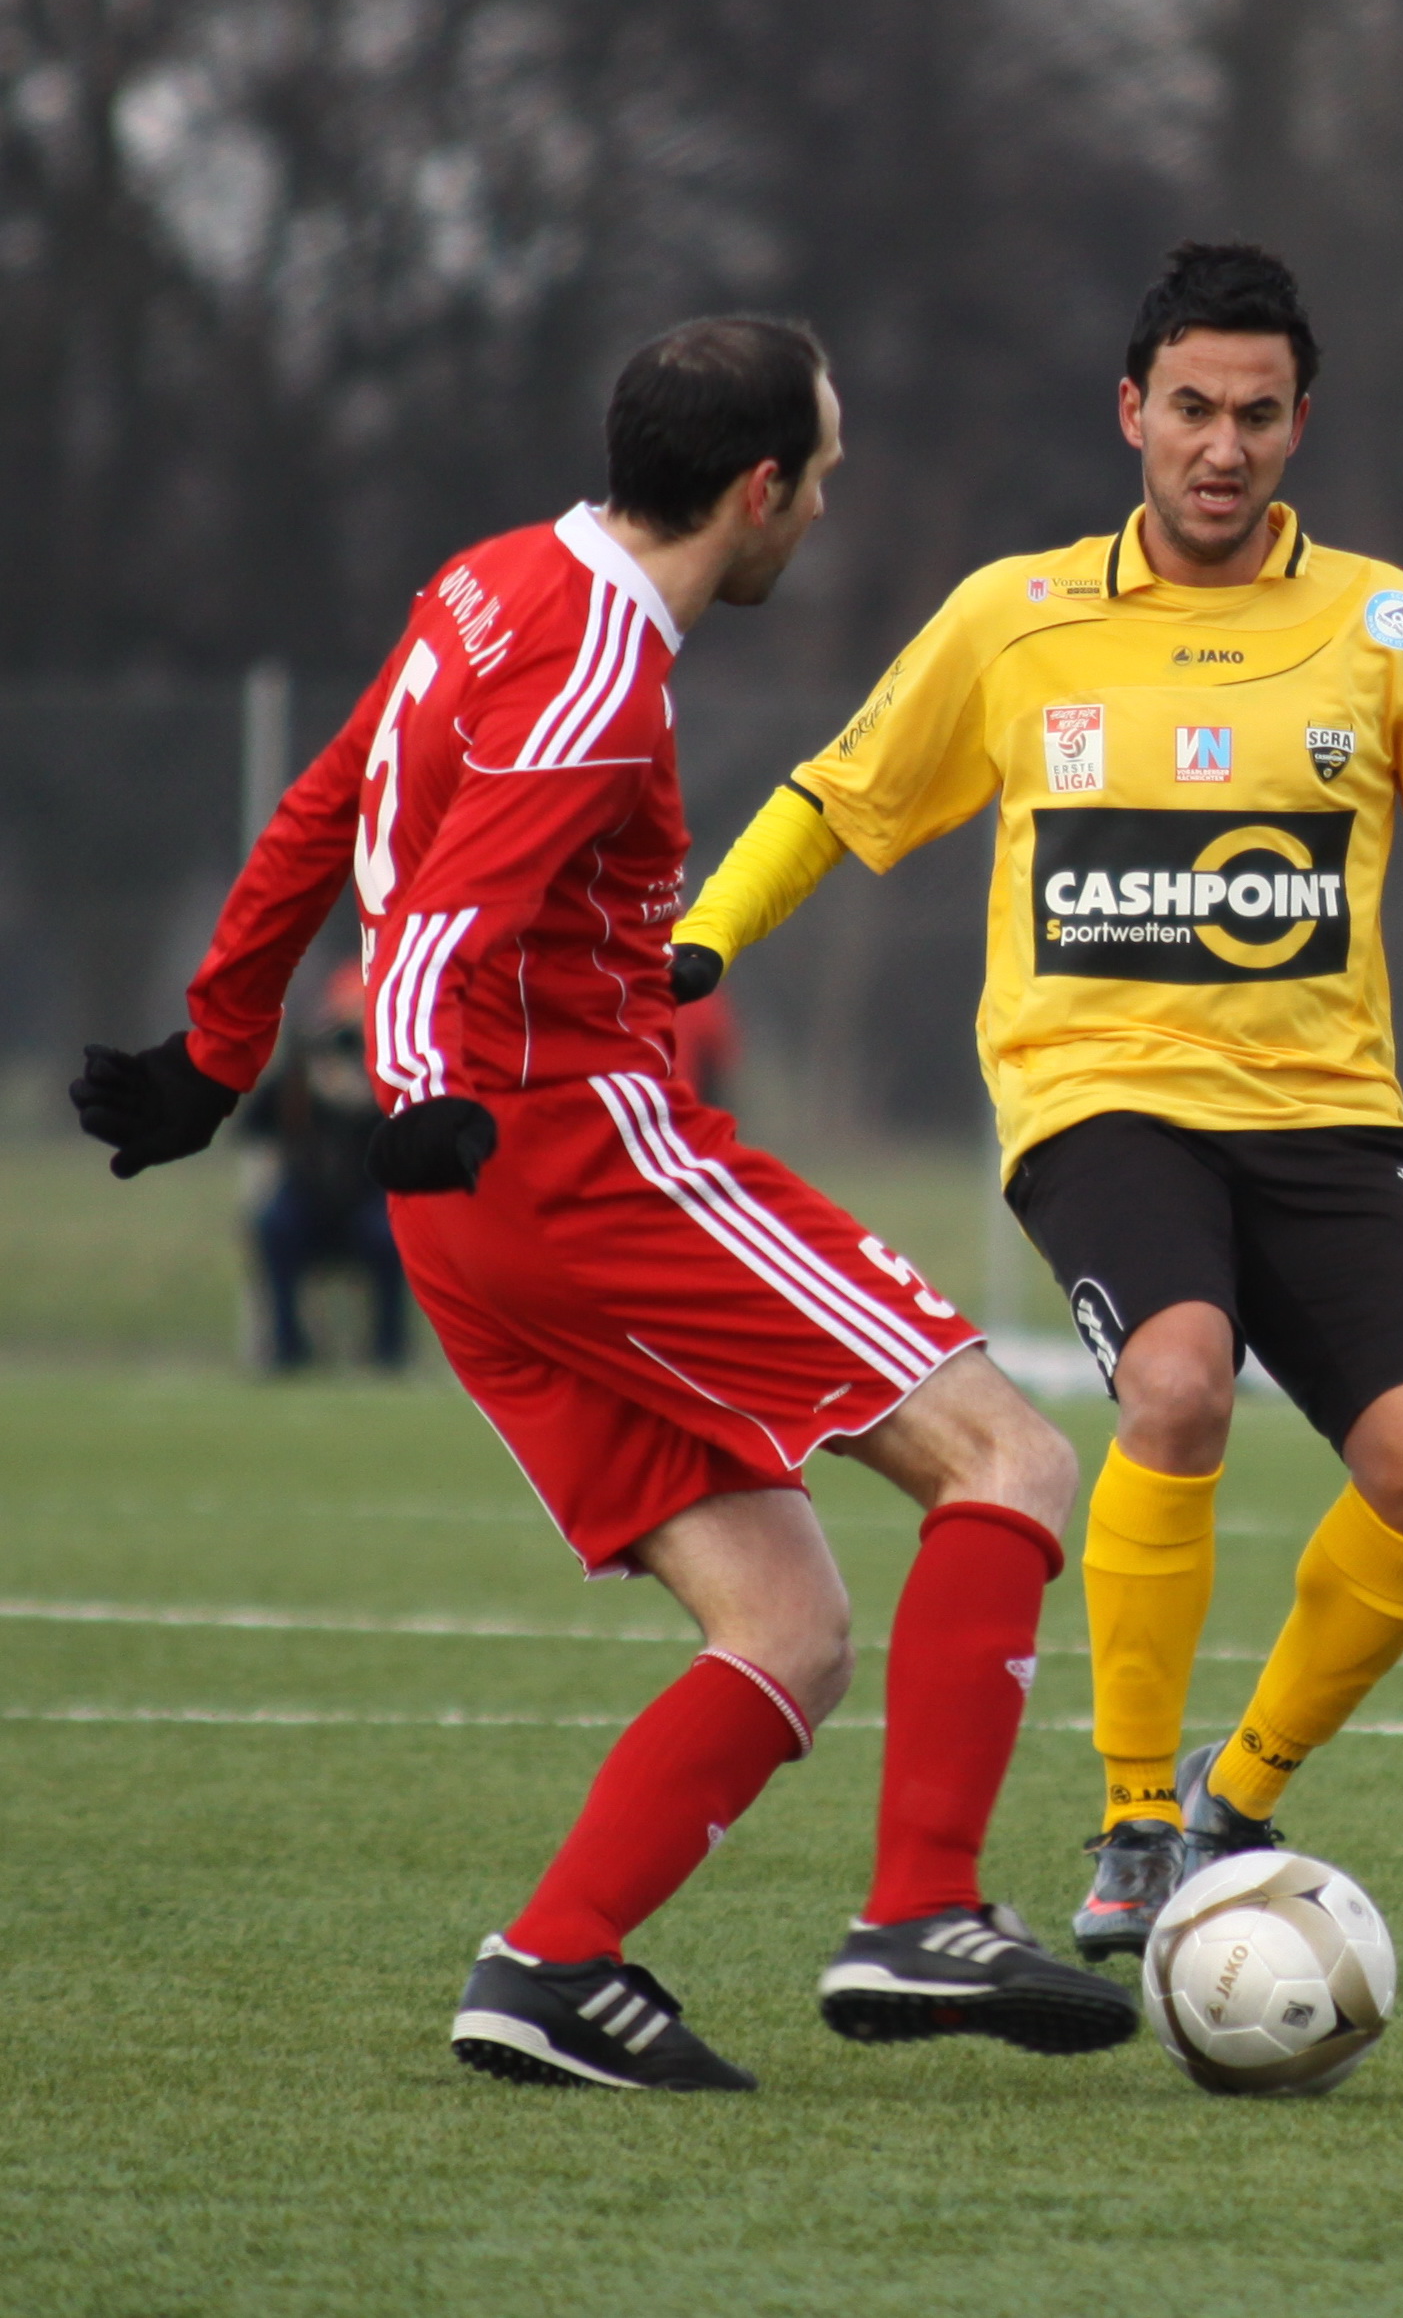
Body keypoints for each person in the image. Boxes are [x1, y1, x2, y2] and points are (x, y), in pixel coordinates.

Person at [70, 315, 1137, 2089]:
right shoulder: (601, 661)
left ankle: (554, 1964)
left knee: (787, 1626)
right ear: (756, 489)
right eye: (823, 473)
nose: (827, 505)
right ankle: (923, 1911)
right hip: (580, 1160)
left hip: (478, 1211)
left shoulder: (489, 580)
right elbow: (447, 918)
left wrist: (217, 1048)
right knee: (1009, 1458)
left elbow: (329, 806)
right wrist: (419, 1086)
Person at [667, 244, 1403, 1962]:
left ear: (1300, 425)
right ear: (1131, 410)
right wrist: (703, 938)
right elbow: (840, 798)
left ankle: (1238, 1791)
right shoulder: (1014, 614)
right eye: (1193, 408)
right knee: (1179, 1378)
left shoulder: (1387, 626)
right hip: (1099, 1097)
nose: (1223, 446)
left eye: (1257, 415)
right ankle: (1134, 1815)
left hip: (1327, 1111)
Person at [243, 958, 409, 1371]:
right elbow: (253, 1125)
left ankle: (388, 1352)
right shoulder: (303, 1072)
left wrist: (368, 1099)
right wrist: (304, 1081)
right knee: (274, 1226)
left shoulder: (392, 1075)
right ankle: (287, 1350)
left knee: (391, 1233)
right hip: (307, 1200)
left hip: (367, 1200)